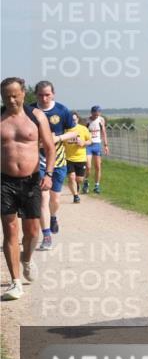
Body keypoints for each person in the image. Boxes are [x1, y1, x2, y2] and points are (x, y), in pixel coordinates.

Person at [1, 77, 56, 301]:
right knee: (10, 230)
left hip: (32, 180)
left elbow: (50, 148)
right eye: (6, 96)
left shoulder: (37, 116)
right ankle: (15, 282)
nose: (11, 100)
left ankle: (26, 258)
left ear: (24, 94)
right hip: (4, 181)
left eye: (15, 95)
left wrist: (49, 174)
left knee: (32, 233)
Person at [33, 81, 74, 248]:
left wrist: (56, 139)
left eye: (47, 94)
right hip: (37, 160)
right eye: (41, 95)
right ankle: (47, 236)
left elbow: (73, 131)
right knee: (43, 197)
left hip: (58, 160)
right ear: (36, 95)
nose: (44, 98)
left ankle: (53, 216)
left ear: (53, 94)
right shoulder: (30, 111)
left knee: (54, 199)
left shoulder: (62, 110)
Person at [63, 112, 93, 204]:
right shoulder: (65, 130)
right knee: (71, 177)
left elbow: (90, 141)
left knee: (79, 179)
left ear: (78, 119)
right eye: (71, 119)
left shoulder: (83, 129)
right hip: (68, 158)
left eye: (75, 119)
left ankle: (78, 185)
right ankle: (75, 196)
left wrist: (83, 143)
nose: (73, 121)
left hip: (81, 158)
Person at [82, 105, 109, 194]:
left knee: (98, 166)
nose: (96, 115)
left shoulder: (101, 120)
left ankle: (97, 185)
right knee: (88, 166)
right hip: (88, 145)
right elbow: (83, 132)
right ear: (92, 113)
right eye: (95, 114)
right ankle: (86, 182)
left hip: (97, 144)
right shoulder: (87, 120)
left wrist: (105, 145)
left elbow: (104, 132)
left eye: (98, 113)